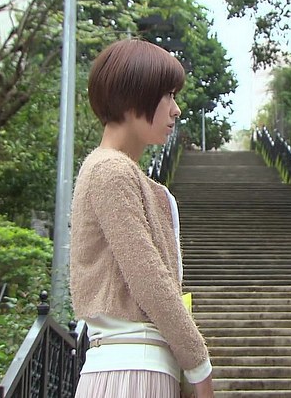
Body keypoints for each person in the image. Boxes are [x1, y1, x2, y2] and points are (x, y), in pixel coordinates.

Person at [70, 38, 214, 398]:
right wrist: (199, 365)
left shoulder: (119, 172)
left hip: (134, 368)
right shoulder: (111, 171)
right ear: (134, 96)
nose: (176, 110)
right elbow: (149, 278)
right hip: (132, 371)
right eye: (168, 95)